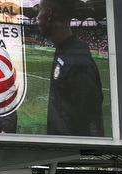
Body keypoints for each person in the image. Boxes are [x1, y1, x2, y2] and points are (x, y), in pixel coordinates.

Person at [37, 0, 104, 137]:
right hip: (59, 153)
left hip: (69, 156)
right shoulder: (64, 51)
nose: (38, 16)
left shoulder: (79, 61)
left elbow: (93, 129)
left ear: (49, 14)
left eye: (40, 10)